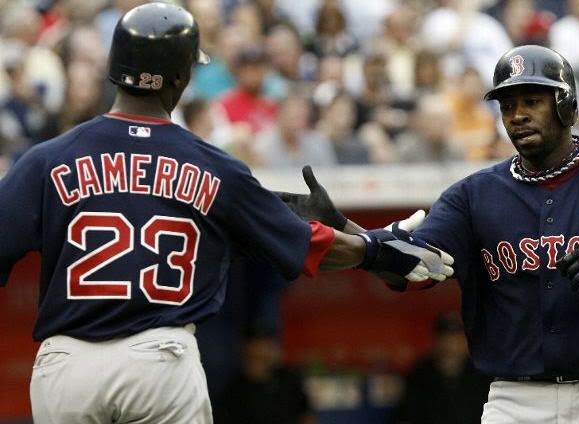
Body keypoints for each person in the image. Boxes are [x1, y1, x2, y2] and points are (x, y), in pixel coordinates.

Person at [0, 3, 453, 423]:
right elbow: (307, 243)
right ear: (180, 78)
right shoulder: (212, 166)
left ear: (115, 69)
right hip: (158, 360)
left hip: (66, 364)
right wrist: (376, 248)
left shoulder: (46, 160)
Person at [279, 45, 579, 423]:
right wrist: (350, 229)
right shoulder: (474, 195)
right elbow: (419, 266)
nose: (517, 114)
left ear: (567, 107)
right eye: (507, 105)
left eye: (532, 100)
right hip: (517, 398)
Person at [397, 312, 492, 424]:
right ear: (436, 341)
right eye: (446, 339)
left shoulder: (481, 375)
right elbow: (406, 416)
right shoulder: (419, 374)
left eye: (457, 339)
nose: (452, 346)